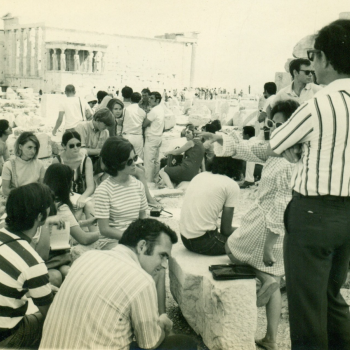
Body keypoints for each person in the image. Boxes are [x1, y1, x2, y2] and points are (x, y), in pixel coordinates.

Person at [268, 19, 350, 350]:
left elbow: (277, 140)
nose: (312, 63)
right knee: (332, 297)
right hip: (347, 215)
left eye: (314, 55)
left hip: (314, 212)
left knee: (307, 307)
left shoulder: (319, 103)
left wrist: (296, 147)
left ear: (325, 59)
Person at [204, 100, 298, 350]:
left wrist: (268, 244)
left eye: (280, 125)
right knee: (274, 275)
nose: (274, 129)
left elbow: (279, 209)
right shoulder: (287, 152)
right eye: (273, 124)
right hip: (282, 229)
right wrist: (220, 137)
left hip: (267, 227)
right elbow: (249, 150)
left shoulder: (286, 161)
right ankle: (271, 339)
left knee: (231, 248)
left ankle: (263, 278)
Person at [39, 219, 197, 350]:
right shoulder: (141, 280)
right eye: (162, 255)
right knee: (185, 344)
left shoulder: (87, 258)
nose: (163, 265)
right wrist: (162, 324)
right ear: (142, 246)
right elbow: (150, 343)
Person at [0, 183, 64, 349]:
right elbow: (50, 315)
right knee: (60, 323)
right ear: (41, 216)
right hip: (7, 335)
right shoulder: (32, 263)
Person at [41, 163, 99, 287]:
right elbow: (83, 238)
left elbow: (65, 225)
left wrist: (85, 222)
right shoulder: (61, 206)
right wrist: (104, 231)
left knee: (62, 271)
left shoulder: (42, 199)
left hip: (46, 254)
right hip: (53, 256)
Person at [94, 137, 148, 250]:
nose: (134, 164)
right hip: (111, 241)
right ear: (115, 164)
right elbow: (104, 229)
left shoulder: (138, 185)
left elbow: (142, 218)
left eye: (135, 158)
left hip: (134, 238)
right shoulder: (103, 191)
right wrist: (131, 239)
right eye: (129, 161)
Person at [180, 156, 241, 255]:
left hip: (185, 239)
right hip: (206, 243)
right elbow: (226, 230)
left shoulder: (200, 176)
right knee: (249, 241)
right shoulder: (231, 185)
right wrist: (245, 231)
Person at [52, 131, 96, 222]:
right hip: (64, 196)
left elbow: (90, 186)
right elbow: (55, 187)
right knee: (76, 213)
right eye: (71, 146)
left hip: (83, 195)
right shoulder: (58, 161)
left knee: (89, 206)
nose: (76, 148)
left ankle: (94, 233)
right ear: (64, 146)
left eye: (78, 145)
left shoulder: (86, 160)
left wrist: (82, 198)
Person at [159, 124, 205, 188]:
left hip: (186, 170)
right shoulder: (201, 144)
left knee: (162, 171)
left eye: (188, 132)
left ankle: (170, 188)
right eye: (186, 133)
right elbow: (202, 162)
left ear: (194, 133)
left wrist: (167, 153)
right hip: (194, 173)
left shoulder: (191, 142)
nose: (186, 135)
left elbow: (177, 152)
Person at [2, 132, 45, 197]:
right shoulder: (9, 165)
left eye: (35, 148)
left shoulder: (39, 164)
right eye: (29, 147)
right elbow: (5, 190)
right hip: (18, 200)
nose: (33, 151)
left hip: (35, 200)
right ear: (20, 146)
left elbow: (42, 187)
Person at [143, 91, 165, 182]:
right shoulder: (160, 109)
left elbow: (144, 124)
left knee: (149, 161)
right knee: (156, 160)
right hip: (158, 137)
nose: (149, 100)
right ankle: (155, 179)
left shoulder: (154, 110)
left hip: (152, 137)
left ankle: (148, 181)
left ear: (157, 100)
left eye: (152, 98)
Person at [122, 92, 146, 158]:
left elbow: (121, 122)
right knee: (139, 158)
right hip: (138, 137)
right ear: (140, 100)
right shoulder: (143, 112)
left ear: (130, 99)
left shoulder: (126, 109)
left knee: (126, 157)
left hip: (127, 136)